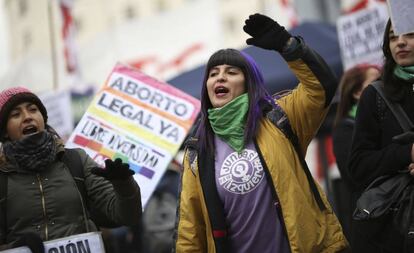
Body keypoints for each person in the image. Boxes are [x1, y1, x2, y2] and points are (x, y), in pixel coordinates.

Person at [174, 13, 349, 253]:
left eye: (231, 72)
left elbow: (321, 87)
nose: (220, 77)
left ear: (249, 83)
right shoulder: (198, 149)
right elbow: (190, 230)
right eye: (213, 73)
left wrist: (288, 46)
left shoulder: (280, 118)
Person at [0, 87, 142, 252]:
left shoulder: (76, 161)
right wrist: (15, 249)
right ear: (4, 132)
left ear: (43, 119)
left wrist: (124, 185)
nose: (27, 117)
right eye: (16, 114)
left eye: (33, 110)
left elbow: (128, 216)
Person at [348, 19, 414, 253]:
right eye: (393, 37)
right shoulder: (375, 95)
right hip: (395, 230)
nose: (401, 43)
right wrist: (407, 154)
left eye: (410, 35)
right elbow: (358, 166)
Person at [331, 64, 381, 244]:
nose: (382, 84)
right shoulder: (345, 130)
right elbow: (356, 175)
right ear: (357, 92)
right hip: (374, 218)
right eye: (375, 81)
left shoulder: (386, 118)